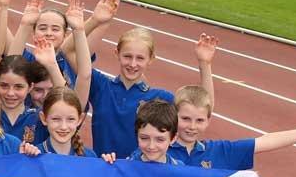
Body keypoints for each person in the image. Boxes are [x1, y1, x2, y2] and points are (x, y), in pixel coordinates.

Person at [89, 27, 210, 158]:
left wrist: (205, 64)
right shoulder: (101, 86)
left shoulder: (159, 98)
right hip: (103, 168)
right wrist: (98, 21)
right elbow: (72, 54)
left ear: (151, 59)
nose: (133, 63)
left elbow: (202, 106)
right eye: (127, 56)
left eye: (140, 58)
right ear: (117, 53)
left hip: (141, 172)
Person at [171, 84, 296, 170]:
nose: (192, 126)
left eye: (199, 121)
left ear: (208, 121)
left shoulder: (219, 151)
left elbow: (264, 141)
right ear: (173, 116)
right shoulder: (155, 150)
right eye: (186, 119)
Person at [36, 88, 97, 157]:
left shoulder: (89, 157)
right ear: (43, 119)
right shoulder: (35, 155)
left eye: (71, 119)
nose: (63, 127)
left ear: (80, 119)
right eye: (56, 119)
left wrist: (108, 164)